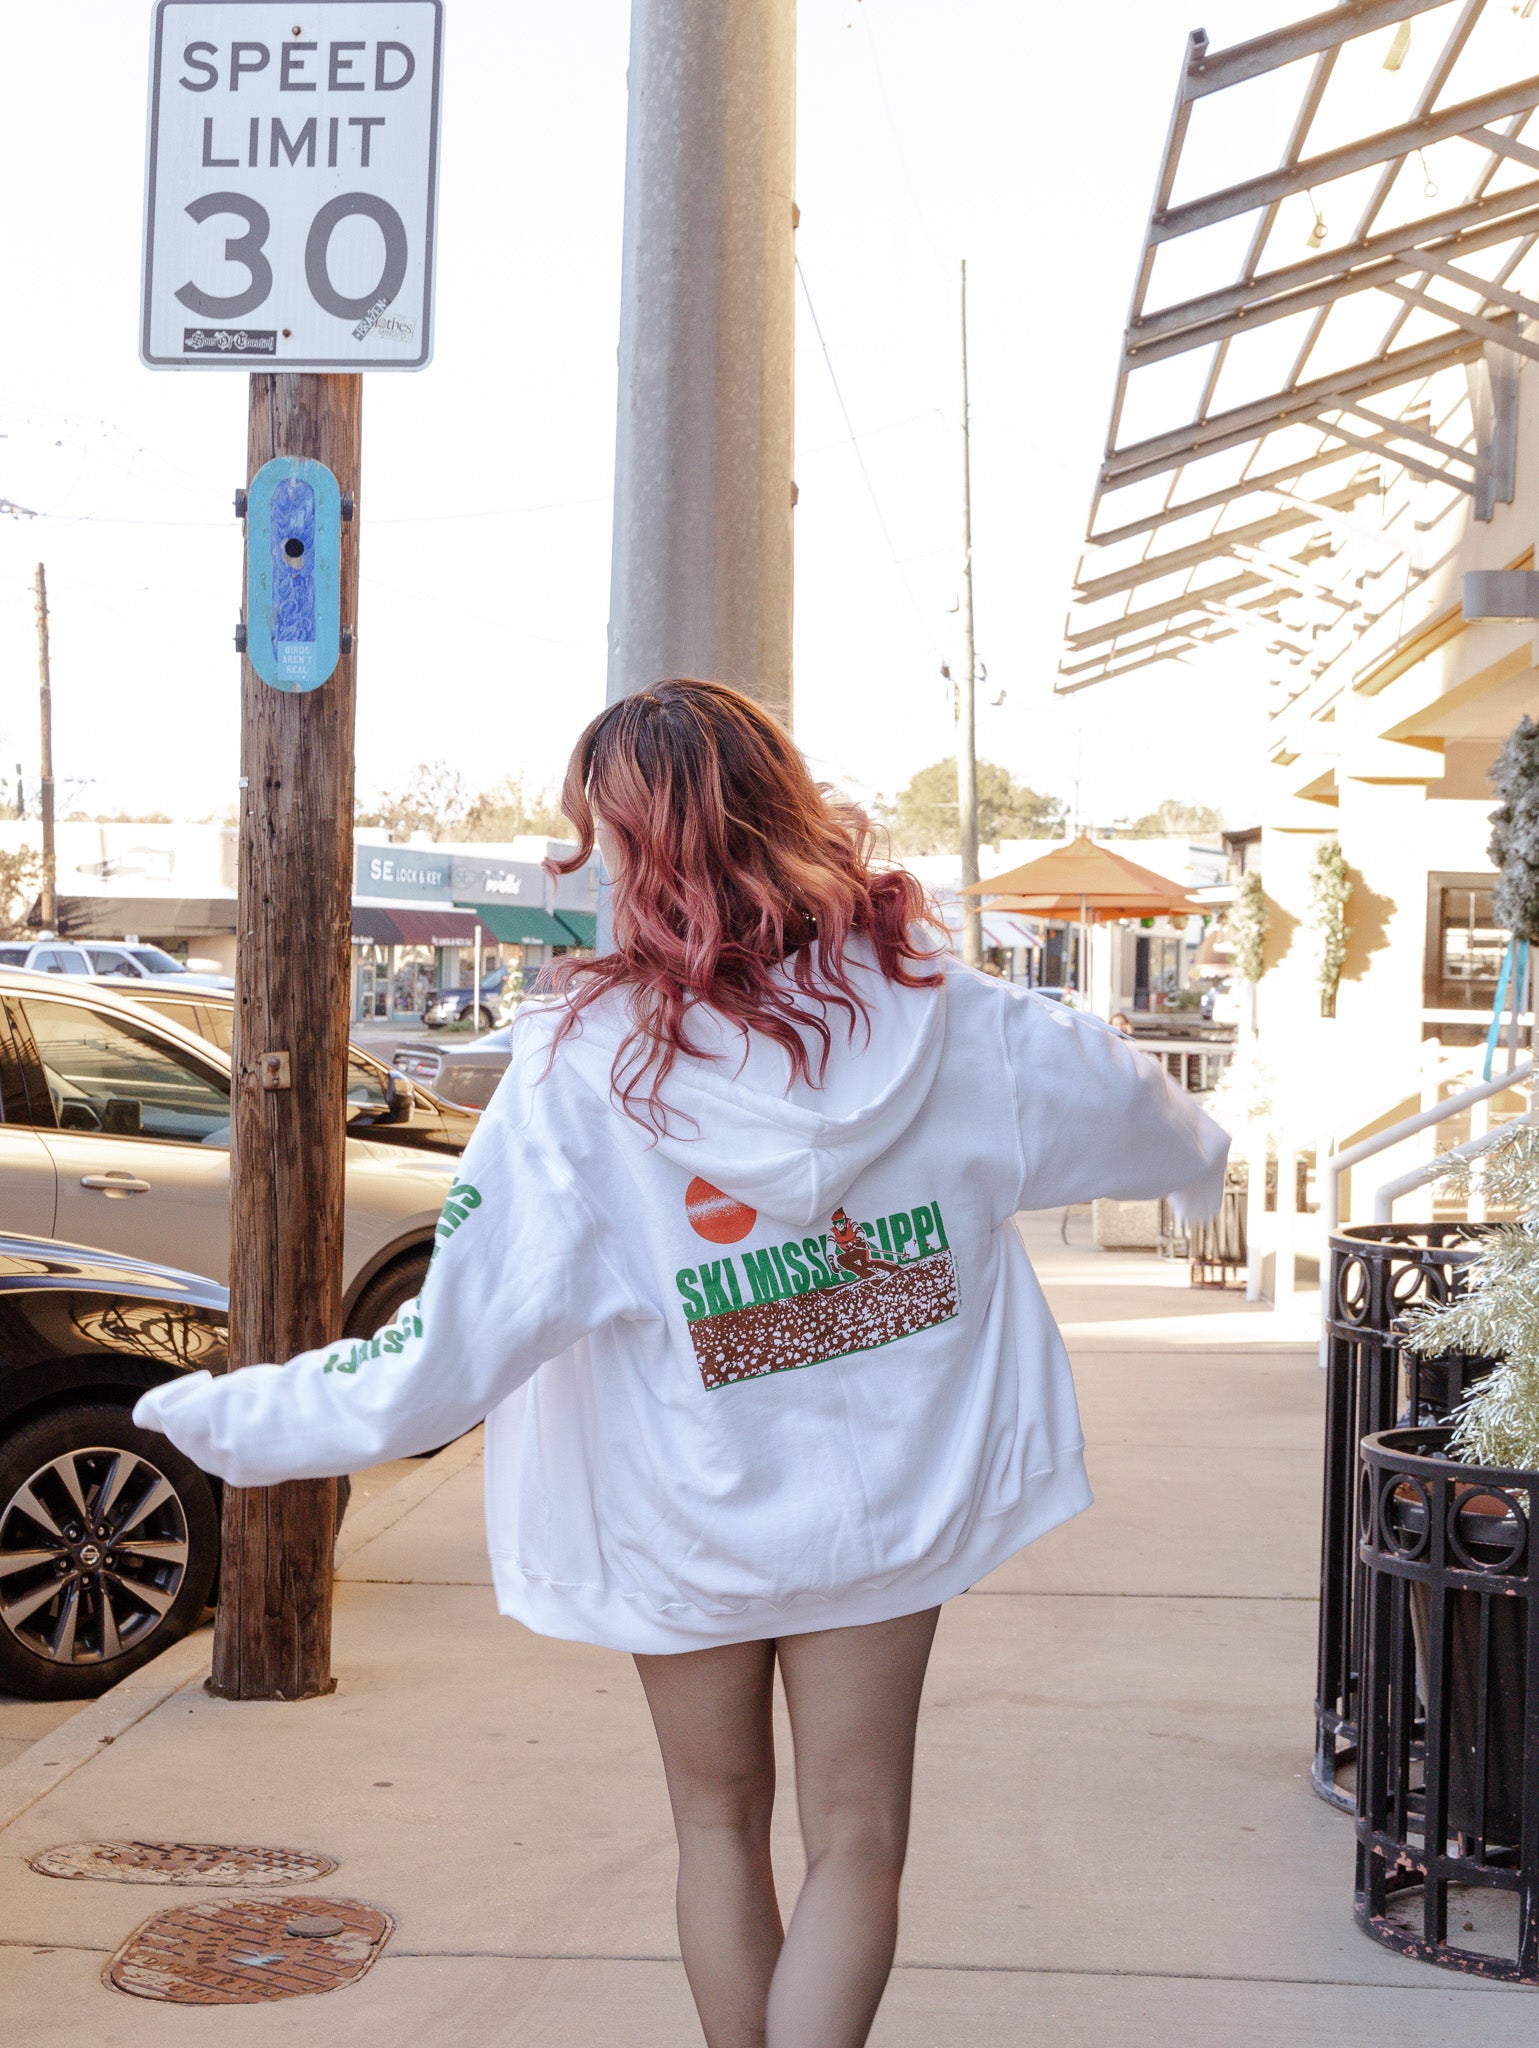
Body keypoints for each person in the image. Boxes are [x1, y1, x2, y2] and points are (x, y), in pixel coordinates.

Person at [136, 679, 1227, 2048]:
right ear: (786, 805)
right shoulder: (953, 1018)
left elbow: (438, 1352)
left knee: (716, 1826)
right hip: (891, 1503)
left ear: (628, 849)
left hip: (682, 1509)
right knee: (858, 1839)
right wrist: (1200, 1168)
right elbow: (1142, 1111)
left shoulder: (574, 1075)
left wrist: (224, 1415)